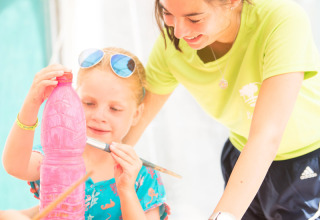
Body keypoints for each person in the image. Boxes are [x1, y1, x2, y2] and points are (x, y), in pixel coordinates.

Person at [121, 0, 320, 219]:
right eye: (167, 13)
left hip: (307, 159)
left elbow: (266, 135)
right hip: (240, 155)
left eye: (194, 18)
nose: (178, 31)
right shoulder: (171, 45)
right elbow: (136, 118)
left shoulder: (282, 19)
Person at [2, 47, 170, 220]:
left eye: (115, 109)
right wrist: (32, 103)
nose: (99, 116)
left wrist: (127, 190)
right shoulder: (57, 155)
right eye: (89, 103)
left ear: (136, 114)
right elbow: (15, 166)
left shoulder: (143, 177)